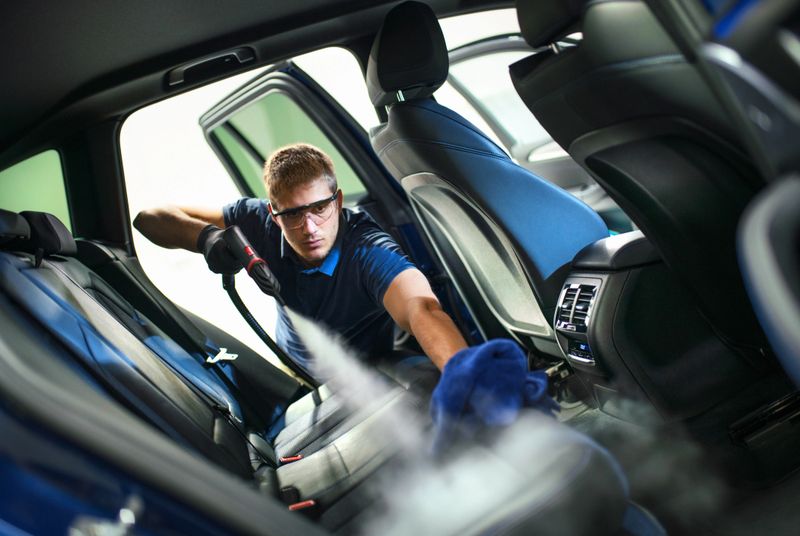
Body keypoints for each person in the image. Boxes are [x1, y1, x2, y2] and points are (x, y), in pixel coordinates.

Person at [134, 143, 467, 374]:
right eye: (293, 214)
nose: (309, 228)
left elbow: (421, 308)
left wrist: (464, 372)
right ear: (273, 214)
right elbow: (149, 218)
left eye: (319, 209)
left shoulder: (367, 249)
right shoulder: (255, 220)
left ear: (337, 202)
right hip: (293, 364)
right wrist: (207, 238)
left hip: (366, 369)